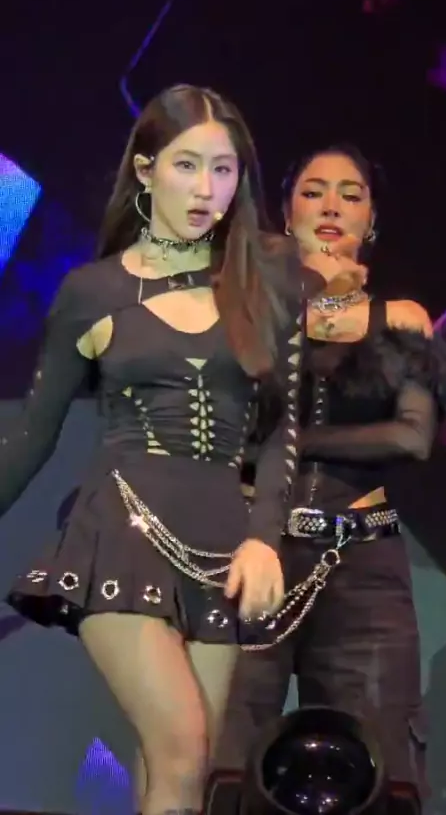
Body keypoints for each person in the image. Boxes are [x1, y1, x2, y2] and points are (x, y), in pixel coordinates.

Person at [1, 84, 303, 815]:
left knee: (181, 778)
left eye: (223, 169)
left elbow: (281, 432)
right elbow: (32, 435)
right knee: (181, 748)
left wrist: (264, 539)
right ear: (145, 170)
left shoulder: (264, 282)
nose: (206, 189)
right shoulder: (93, 291)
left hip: (220, 551)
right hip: (120, 537)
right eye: (187, 165)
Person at [216, 143, 446, 813]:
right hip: (252, 551)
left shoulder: (400, 317)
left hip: (362, 564)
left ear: (371, 220)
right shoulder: (245, 311)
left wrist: (281, 442)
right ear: (285, 211)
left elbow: (410, 436)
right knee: (225, 753)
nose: (331, 206)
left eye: (351, 195)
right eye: (313, 191)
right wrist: (304, 298)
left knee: (374, 762)